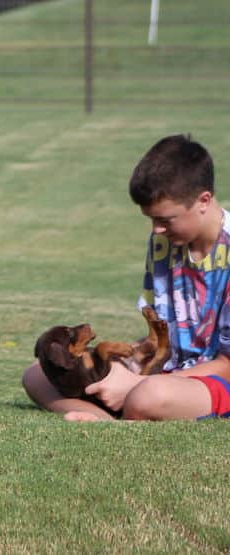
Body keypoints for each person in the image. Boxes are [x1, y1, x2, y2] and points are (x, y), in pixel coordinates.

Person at [23, 134, 230, 421]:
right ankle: (106, 422)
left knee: (149, 396)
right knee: (38, 375)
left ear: (203, 200)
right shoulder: (164, 243)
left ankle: (124, 410)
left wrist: (137, 383)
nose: (156, 230)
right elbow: (164, 337)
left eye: (165, 220)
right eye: (151, 219)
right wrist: (124, 364)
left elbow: (227, 364)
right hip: (167, 373)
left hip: (216, 382)